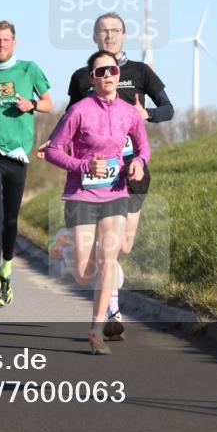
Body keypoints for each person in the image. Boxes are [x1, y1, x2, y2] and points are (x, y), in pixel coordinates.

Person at [38, 12, 174, 339]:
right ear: (95, 37)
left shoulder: (140, 72)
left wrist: (149, 114)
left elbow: (168, 109)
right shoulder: (83, 76)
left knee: (122, 247)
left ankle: (85, 256)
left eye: (115, 30)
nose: (110, 35)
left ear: (125, 36)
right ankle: (111, 308)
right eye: (103, 30)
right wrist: (54, 140)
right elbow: (71, 114)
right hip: (93, 176)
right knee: (104, 255)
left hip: (132, 170)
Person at [44, 50, 150, 354]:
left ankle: (96, 330)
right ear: (92, 78)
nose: (108, 76)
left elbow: (143, 148)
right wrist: (83, 166)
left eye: (112, 71)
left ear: (119, 75)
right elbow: (54, 151)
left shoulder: (129, 112)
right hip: (81, 195)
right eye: (101, 72)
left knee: (108, 260)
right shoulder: (79, 110)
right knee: (83, 272)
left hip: (116, 194)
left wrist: (139, 164)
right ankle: (64, 244)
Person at [0, 20, 52, 307]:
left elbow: (49, 103)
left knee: (13, 219)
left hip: (18, 154)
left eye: (5, 39)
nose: (0, 44)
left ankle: (6, 270)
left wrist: (32, 104)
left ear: (14, 42)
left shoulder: (30, 69)